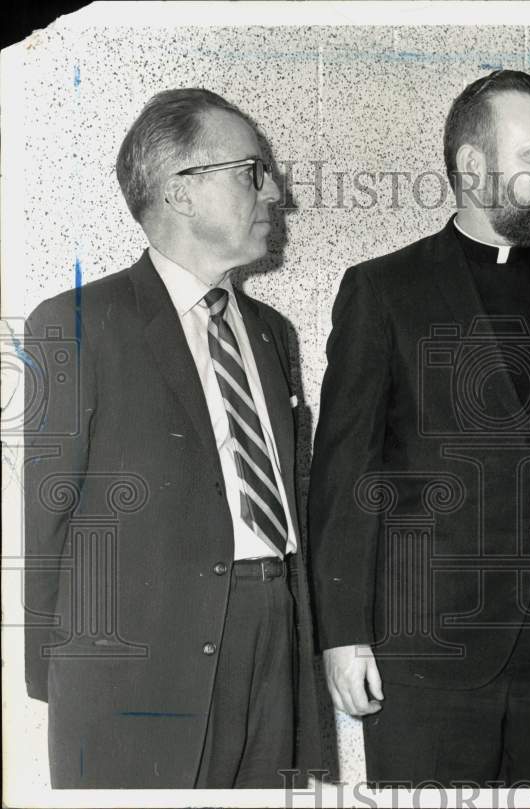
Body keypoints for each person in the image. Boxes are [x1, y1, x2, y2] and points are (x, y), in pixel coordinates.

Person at [308, 69, 530, 787]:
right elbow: (344, 475)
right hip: (427, 652)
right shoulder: (384, 290)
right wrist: (342, 632)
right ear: (474, 167)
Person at [22, 88, 321, 788]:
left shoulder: (274, 334)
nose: (274, 190)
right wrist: (59, 682)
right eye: (252, 170)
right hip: (143, 678)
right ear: (181, 192)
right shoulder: (75, 323)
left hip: (274, 641)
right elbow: (49, 520)